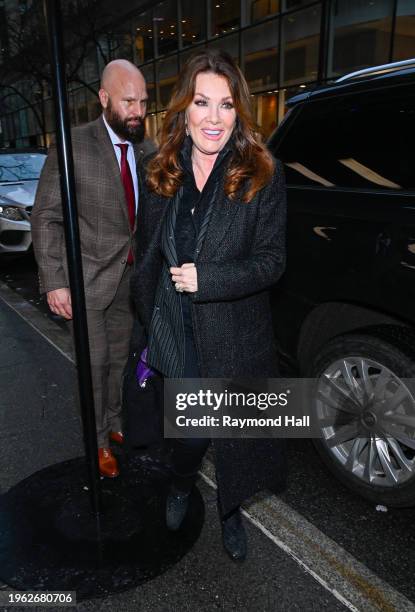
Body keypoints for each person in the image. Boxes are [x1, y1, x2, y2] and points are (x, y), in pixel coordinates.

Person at [130, 49, 287, 561]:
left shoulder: (261, 173)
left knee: (237, 438)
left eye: (225, 105)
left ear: (238, 111)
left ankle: (230, 510)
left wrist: (209, 279)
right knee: (194, 435)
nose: (214, 117)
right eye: (202, 103)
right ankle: (181, 485)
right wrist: (145, 322)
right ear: (184, 110)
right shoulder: (161, 174)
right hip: (176, 331)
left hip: (235, 331)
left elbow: (271, 263)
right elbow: (148, 252)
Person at [31, 59, 155, 478]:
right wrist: (54, 282)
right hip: (84, 282)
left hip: (129, 281)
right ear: (104, 99)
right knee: (95, 365)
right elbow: (45, 216)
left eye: (142, 101)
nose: (137, 110)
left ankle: (115, 424)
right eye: (128, 101)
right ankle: (97, 442)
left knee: (120, 361)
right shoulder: (72, 145)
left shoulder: (147, 148)